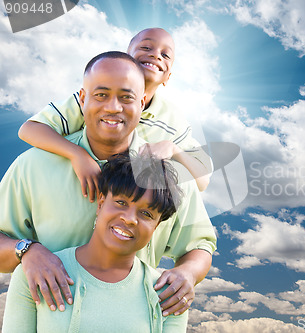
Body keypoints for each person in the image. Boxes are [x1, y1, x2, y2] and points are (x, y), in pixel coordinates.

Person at [0, 51, 216, 318]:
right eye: (101, 95)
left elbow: (200, 244)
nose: (113, 107)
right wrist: (26, 251)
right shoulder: (32, 166)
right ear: (82, 98)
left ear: (143, 101)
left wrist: (187, 273)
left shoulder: (169, 176)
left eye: (126, 97)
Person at [18, 27, 212, 200]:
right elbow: (29, 129)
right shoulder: (94, 100)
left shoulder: (173, 120)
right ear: (126, 57)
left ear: (168, 77)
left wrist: (173, 149)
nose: (156, 55)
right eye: (146, 48)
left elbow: (202, 182)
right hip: (73, 194)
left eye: (165, 54)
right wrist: (77, 154)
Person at [2, 154, 188, 332]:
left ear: (155, 227)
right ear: (100, 204)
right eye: (121, 202)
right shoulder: (36, 273)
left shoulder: (169, 295)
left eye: (147, 214)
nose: (130, 219)